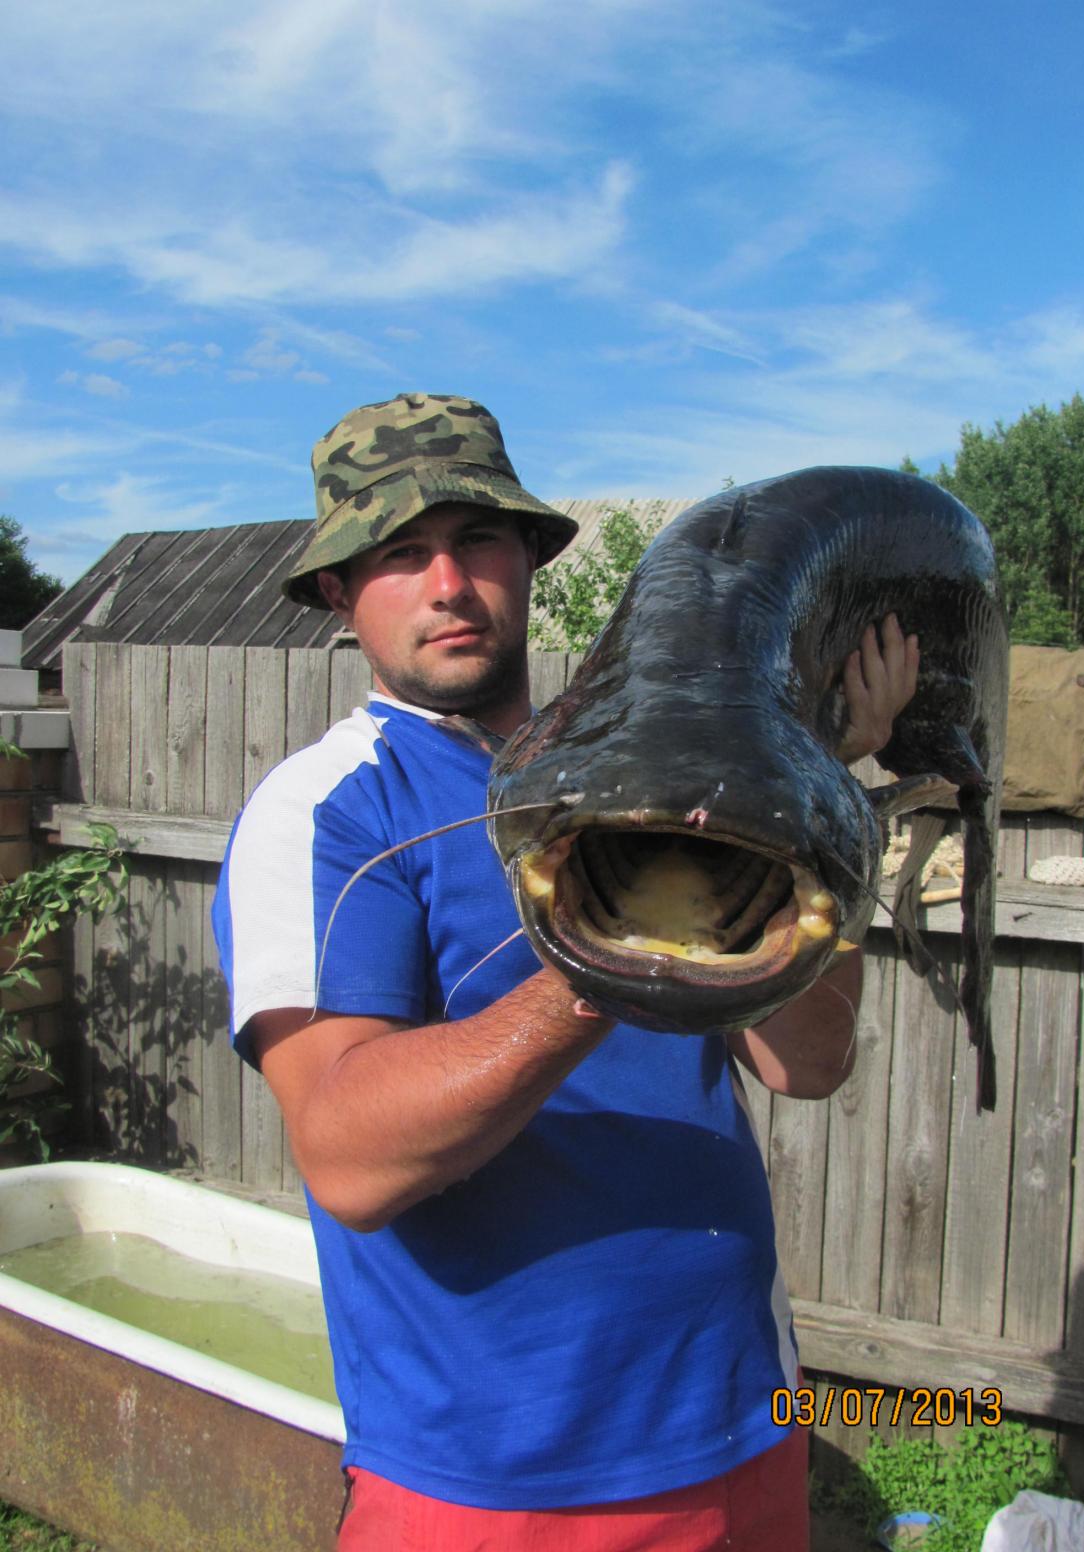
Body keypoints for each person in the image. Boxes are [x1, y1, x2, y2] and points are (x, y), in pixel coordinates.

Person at [212, 392, 919, 1552]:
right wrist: (611, 946)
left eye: (477, 538)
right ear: (339, 592)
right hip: (504, 1488)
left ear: (530, 556)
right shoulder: (329, 810)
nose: (448, 583)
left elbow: (808, 1060)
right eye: (399, 554)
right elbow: (346, 1154)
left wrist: (815, 783)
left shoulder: (659, 763)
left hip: (751, 1423)